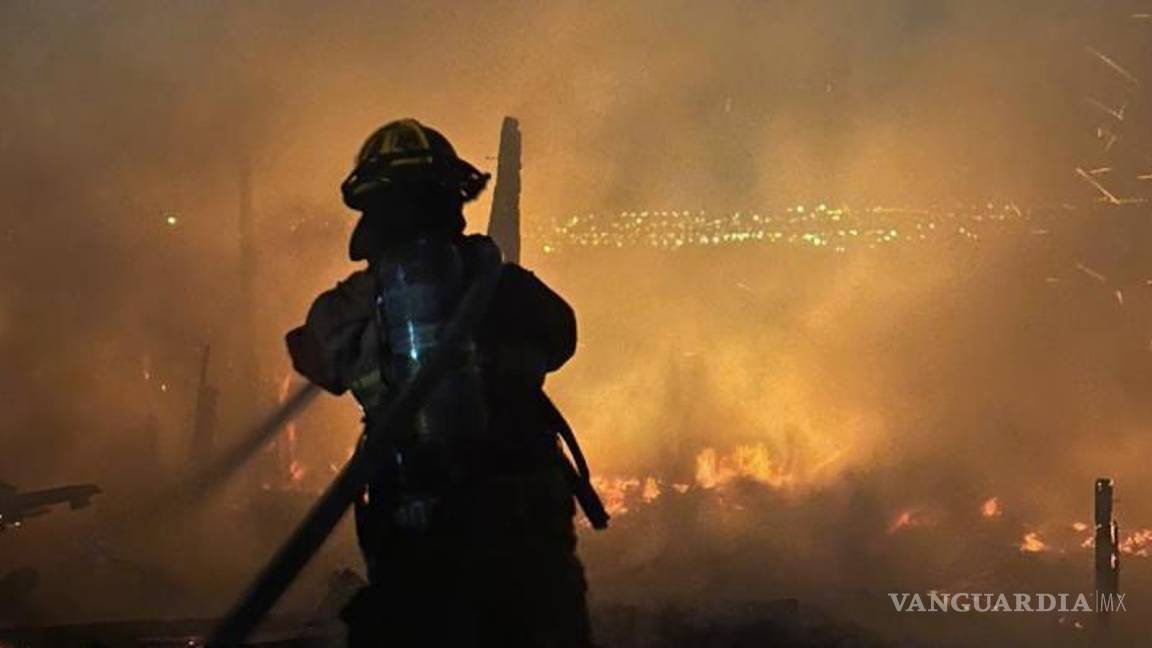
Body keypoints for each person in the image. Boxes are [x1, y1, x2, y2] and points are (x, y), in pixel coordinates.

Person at [286, 119, 593, 647]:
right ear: (453, 200)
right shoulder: (506, 287)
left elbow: (312, 353)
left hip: (418, 547)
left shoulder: (352, 307)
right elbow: (562, 337)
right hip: (525, 552)